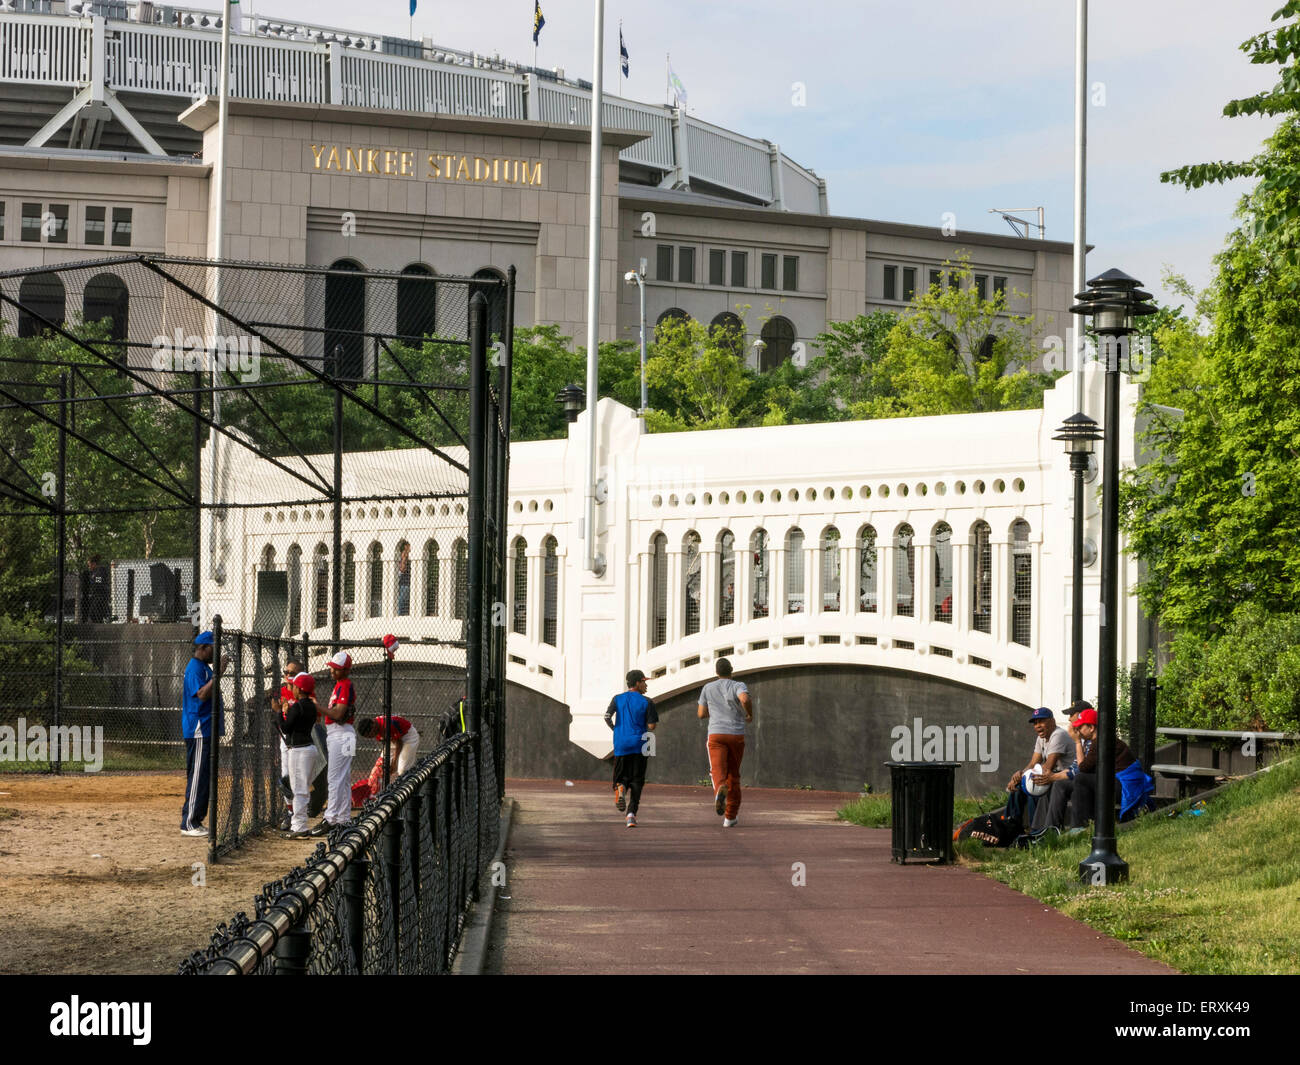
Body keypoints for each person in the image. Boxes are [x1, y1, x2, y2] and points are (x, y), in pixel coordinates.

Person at [1048, 704, 1155, 830]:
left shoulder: (1100, 742)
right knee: (1062, 784)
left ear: (1091, 727)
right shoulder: (1098, 741)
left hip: (1123, 786)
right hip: (1114, 782)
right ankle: (1052, 828)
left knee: (1081, 779)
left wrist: (1077, 742)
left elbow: (1083, 768)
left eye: (1081, 727)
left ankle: (1080, 827)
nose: (1078, 731)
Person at [180, 631, 226, 836]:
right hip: (198, 729)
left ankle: (196, 820)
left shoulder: (204, 668)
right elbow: (201, 695)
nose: (216, 653)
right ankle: (189, 823)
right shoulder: (194, 669)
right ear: (204, 648)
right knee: (197, 776)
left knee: (204, 776)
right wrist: (218, 675)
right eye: (214, 649)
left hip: (206, 729)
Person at [1003, 706, 1076, 834]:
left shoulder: (1058, 735)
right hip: (1051, 775)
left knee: (1034, 786)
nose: (1037, 726)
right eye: (1035, 723)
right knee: (1018, 786)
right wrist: (1020, 775)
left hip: (1064, 777)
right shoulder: (1041, 738)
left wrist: (1027, 776)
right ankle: (1010, 826)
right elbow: (1033, 763)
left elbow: (1048, 766)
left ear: (1052, 721)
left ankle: (1036, 832)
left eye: (1041, 721)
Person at [697, 657, 752, 827]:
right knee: (734, 775)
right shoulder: (738, 685)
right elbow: (744, 699)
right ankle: (730, 817)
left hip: (716, 734)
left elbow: (700, 713)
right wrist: (749, 714)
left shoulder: (707, 687)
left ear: (716, 672)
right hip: (736, 734)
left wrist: (713, 712)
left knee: (717, 771)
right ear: (732, 670)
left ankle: (720, 789)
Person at [604, 669, 658, 828]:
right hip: (641, 744)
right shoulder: (647, 702)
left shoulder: (617, 698)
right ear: (637, 683)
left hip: (621, 743)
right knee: (637, 780)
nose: (646, 685)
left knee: (621, 777)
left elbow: (606, 717)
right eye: (644, 682)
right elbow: (652, 726)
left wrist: (616, 729)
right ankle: (631, 814)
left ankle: (620, 788)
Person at [315, 650, 357, 836]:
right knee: (343, 778)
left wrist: (316, 707)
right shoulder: (340, 684)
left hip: (341, 734)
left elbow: (338, 714)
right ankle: (343, 818)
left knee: (335, 778)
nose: (332, 671)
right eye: (332, 668)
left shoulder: (345, 685)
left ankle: (331, 818)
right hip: (344, 734)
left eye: (337, 669)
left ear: (346, 670)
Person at [280, 673, 321, 838]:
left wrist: (280, 713)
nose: (293, 689)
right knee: (302, 789)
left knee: (298, 789)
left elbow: (286, 728)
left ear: (300, 689)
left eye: (294, 686)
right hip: (309, 749)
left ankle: (299, 827)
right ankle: (300, 825)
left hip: (299, 750)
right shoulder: (311, 705)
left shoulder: (298, 706)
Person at [396, 543, 411, 616]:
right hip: (404, 582)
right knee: (401, 603)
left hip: (405, 583)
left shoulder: (406, 555)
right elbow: (402, 568)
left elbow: (402, 569)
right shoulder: (405, 554)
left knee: (401, 603)